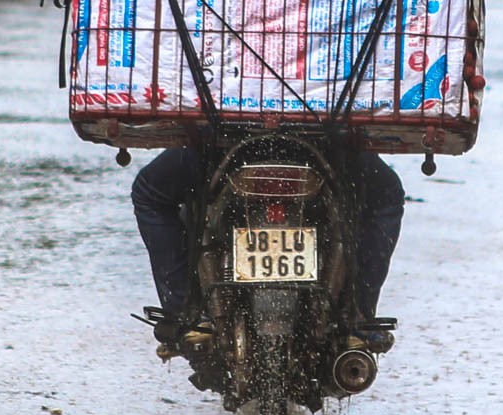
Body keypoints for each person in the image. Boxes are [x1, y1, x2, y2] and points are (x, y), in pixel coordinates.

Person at [132, 145, 404, 345]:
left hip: (220, 141)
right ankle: (358, 318)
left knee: (149, 193)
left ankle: (186, 315)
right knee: (386, 196)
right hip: (327, 143)